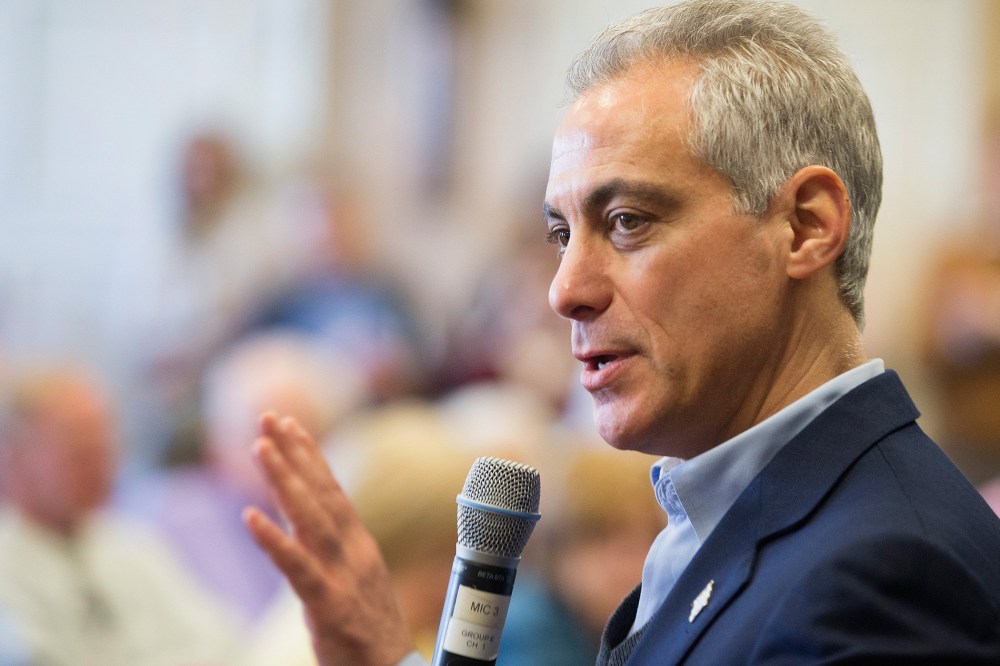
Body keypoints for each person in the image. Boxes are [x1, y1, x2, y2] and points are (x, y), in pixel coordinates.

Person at [242, 1, 1000, 664]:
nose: (564, 290)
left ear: (805, 226)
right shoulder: (737, 505)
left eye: (627, 222)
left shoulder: (887, 574)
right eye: (559, 234)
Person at [0, 367, 239, 665]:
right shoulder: (8, 567)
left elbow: (221, 643)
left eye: (104, 448)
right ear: (13, 459)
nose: (102, 468)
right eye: (80, 452)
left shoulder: (131, 544)